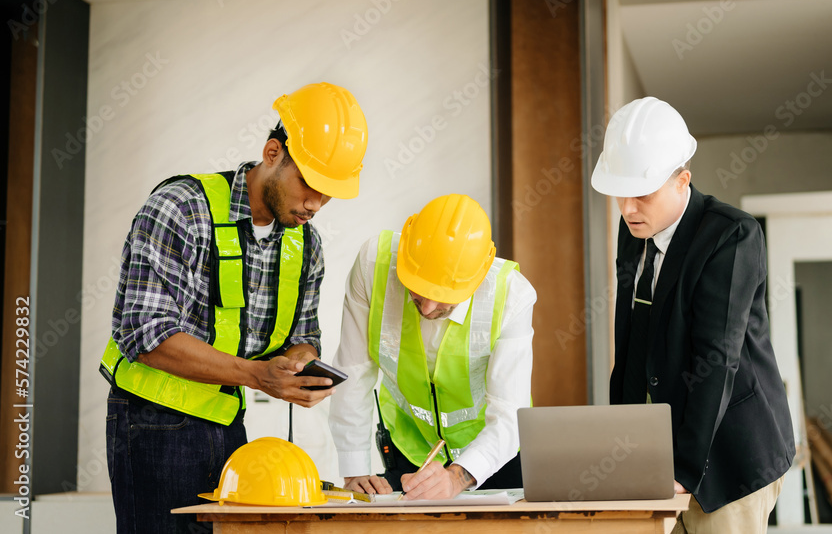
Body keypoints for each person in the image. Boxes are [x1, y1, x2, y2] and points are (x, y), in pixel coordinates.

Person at [100, 82, 368, 533]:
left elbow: (303, 335)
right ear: (272, 152)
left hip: (228, 422)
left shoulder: (307, 243)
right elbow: (145, 334)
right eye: (310, 184)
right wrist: (256, 375)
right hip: (149, 424)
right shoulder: (181, 208)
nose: (316, 204)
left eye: (328, 193)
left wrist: (299, 365)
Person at [590, 97, 794, 533]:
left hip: (727, 457)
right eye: (620, 194)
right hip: (660, 460)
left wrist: (683, 471)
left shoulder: (732, 236)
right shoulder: (634, 235)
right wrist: (618, 450)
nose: (628, 209)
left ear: (682, 181)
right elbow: (630, 347)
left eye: (642, 194)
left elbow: (716, 358)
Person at [328, 194, 535, 500]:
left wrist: (457, 477)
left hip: (493, 457)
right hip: (407, 452)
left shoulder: (511, 296)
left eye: (444, 296)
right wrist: (354, 467)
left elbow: (508, 413)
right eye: (418, 288)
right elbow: (353, 370)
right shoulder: (374, 265)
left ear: (478, 277)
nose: (427, 308)